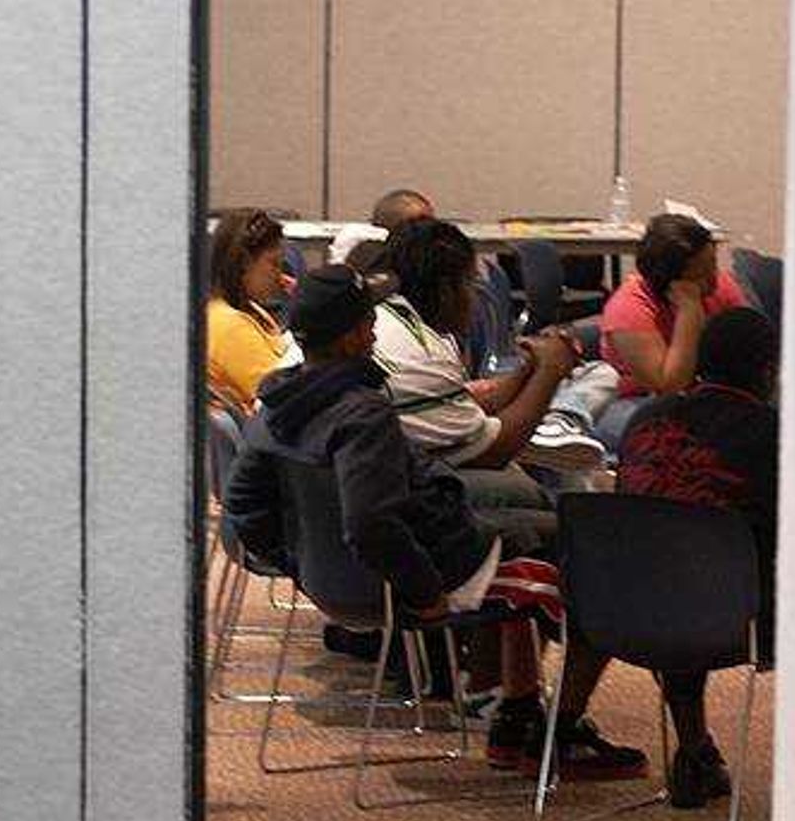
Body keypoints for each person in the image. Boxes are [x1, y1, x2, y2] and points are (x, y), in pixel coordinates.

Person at [223, 264, 646, 779]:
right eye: (367, 320)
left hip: (344, 575)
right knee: (588, 547)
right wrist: (423, 593)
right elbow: (371, 523)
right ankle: (550, 731)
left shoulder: (275, 406)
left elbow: (244, 505)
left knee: (539, 516)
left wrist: (305, 562)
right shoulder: (360, 413)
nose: (377, 328)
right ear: (355, 335)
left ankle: (514, 708)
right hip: (434, 571)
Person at [617, 306, 779, 809]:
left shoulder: (644, 421)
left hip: (623, 607)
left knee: (675, 570)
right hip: (734, 616)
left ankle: (694, 749)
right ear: (768, 371)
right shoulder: (771, 436)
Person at [374, 218, 592, 475]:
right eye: (471, 283)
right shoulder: (419, 354)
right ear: (446, 291)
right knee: (539, 481)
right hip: (403, 487)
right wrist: (550, 372)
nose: (474, 297)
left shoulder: (396, 318)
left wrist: (531, 368)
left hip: (379, 472)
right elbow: (493, 453)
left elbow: (461, 405)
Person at [596, 212, 750, 450]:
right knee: (678, 437)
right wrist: (689, 313)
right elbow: (669, 386)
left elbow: (749, 338)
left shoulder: (720, 285)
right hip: (638, 402)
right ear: (670, 282)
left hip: (706, 393)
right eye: (702, 274)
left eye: (714, 266)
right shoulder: (628, 309)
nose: (714, 280)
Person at [206, 208, 301, 411]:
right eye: (274, 264)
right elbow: (286, 394)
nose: (281, 276)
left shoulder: (255, 311)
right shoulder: (228, 325)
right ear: (244, 263)